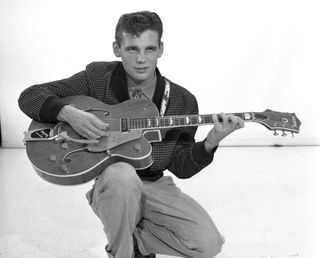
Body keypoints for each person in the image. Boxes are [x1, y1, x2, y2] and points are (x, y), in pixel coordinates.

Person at [18, 11, 244, 258]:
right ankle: (123, 253)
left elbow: (181, 167)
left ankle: (131, 238)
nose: (141, 59)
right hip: (112, 182)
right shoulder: (97, 79)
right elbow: (30, 95)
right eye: (132, 49)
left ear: (161, 49)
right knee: (122, 174)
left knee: (208, 244)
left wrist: (211, 142)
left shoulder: (182, 100)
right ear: (117, 48)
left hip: (154, 183)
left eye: (149, 49)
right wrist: (68, 113)